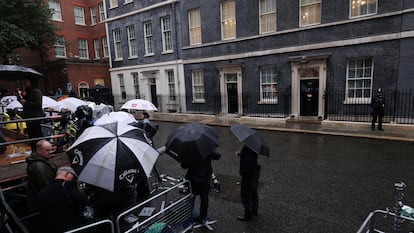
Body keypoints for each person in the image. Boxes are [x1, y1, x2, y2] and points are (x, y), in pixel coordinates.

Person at [37, 166, 91, 233]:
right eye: (73, 177)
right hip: (73, 228)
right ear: (66, 174)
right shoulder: (68, 186)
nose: (73, 180)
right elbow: (83, 202)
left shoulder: (41, 192)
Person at [181, 149, 221, 224]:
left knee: (191, 197)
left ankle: (189, 216)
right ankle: (203, 217)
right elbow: (217, 156)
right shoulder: (206, 149)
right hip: (205, 179)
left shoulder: (190, 151)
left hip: (193, 179)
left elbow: (184, 166)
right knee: (204, 198)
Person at [25, 140, 57, 212]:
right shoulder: (39, 167)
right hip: (43, 201)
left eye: (51, 150)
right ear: (39, 150)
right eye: (47, 150)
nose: (50, 152)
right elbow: (46, 185)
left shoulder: (43, 159)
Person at [236, 145, 261, 221]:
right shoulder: (253, 146)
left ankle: (248, 215)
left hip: (248, 176)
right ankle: (254, 210)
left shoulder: (248, 147)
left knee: (246, 194)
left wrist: (243, 172)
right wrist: (240, 154)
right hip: (254, 174)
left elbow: (249, 163)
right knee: (253, 192)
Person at [20, 78, 45, 150]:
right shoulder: (28, 91)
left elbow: (38, 104)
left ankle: (40, 148)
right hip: (29, 116)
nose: (25, 83)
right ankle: (34, 149)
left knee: (36, 134)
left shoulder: (36, 91)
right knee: (31, 134)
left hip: (35, 116)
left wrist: (26, 102)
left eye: (27, 81)